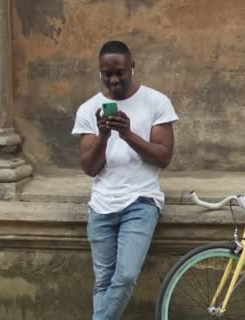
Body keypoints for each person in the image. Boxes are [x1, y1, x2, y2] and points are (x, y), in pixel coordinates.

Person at [71, 40, 178, 320]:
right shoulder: (88, 109)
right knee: (104, 282)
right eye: (108, 74)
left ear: (132, 66)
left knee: (127, 275)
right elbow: (90, 168)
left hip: (141, 202)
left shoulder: (156, 101)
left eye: (120, 72)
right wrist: (104, 136)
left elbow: (164, 157)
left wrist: (128, 134)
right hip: (101, 206)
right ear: (100, 73)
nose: (114, 79)